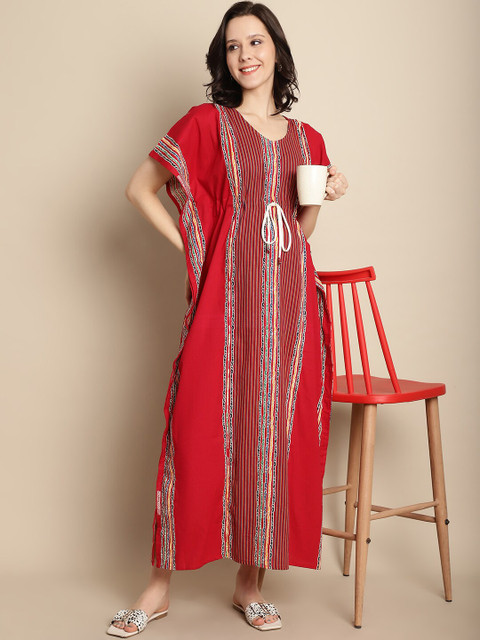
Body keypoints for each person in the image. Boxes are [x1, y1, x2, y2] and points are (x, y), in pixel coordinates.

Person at [107, 1, 348, 635]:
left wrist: (325, 193)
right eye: (234, 46)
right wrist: (195, 250)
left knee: (273, 436)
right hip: (226, 301)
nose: (246, 55)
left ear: (277, 51)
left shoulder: (309, 140)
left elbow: (301, 232)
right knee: (195, 431)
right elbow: (139, 189)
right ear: (224, 59)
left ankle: (249, 585)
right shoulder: (206, 123)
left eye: (257, 42)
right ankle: (158, 590)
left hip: (291, 309)